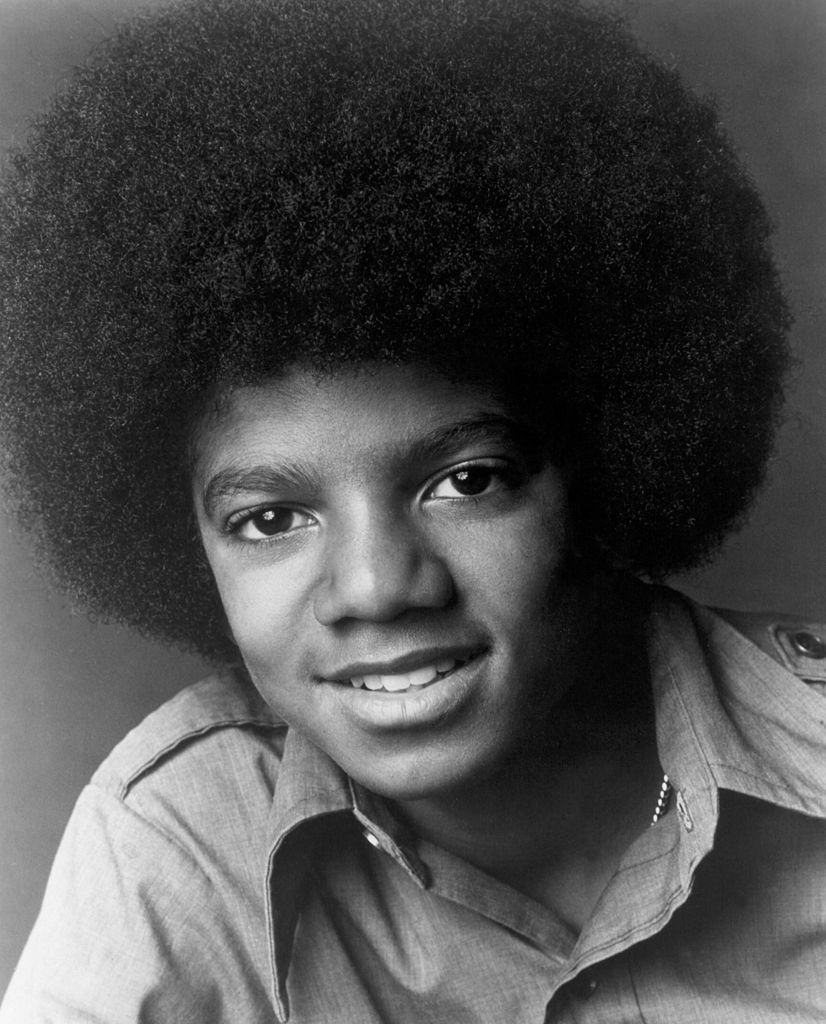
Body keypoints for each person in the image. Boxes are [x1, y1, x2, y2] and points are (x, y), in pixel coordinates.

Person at [0, 0, 824, 1020]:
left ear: (603, 459)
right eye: (269, 519)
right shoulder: (175, 845)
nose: (378, 586)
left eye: (465, 480)